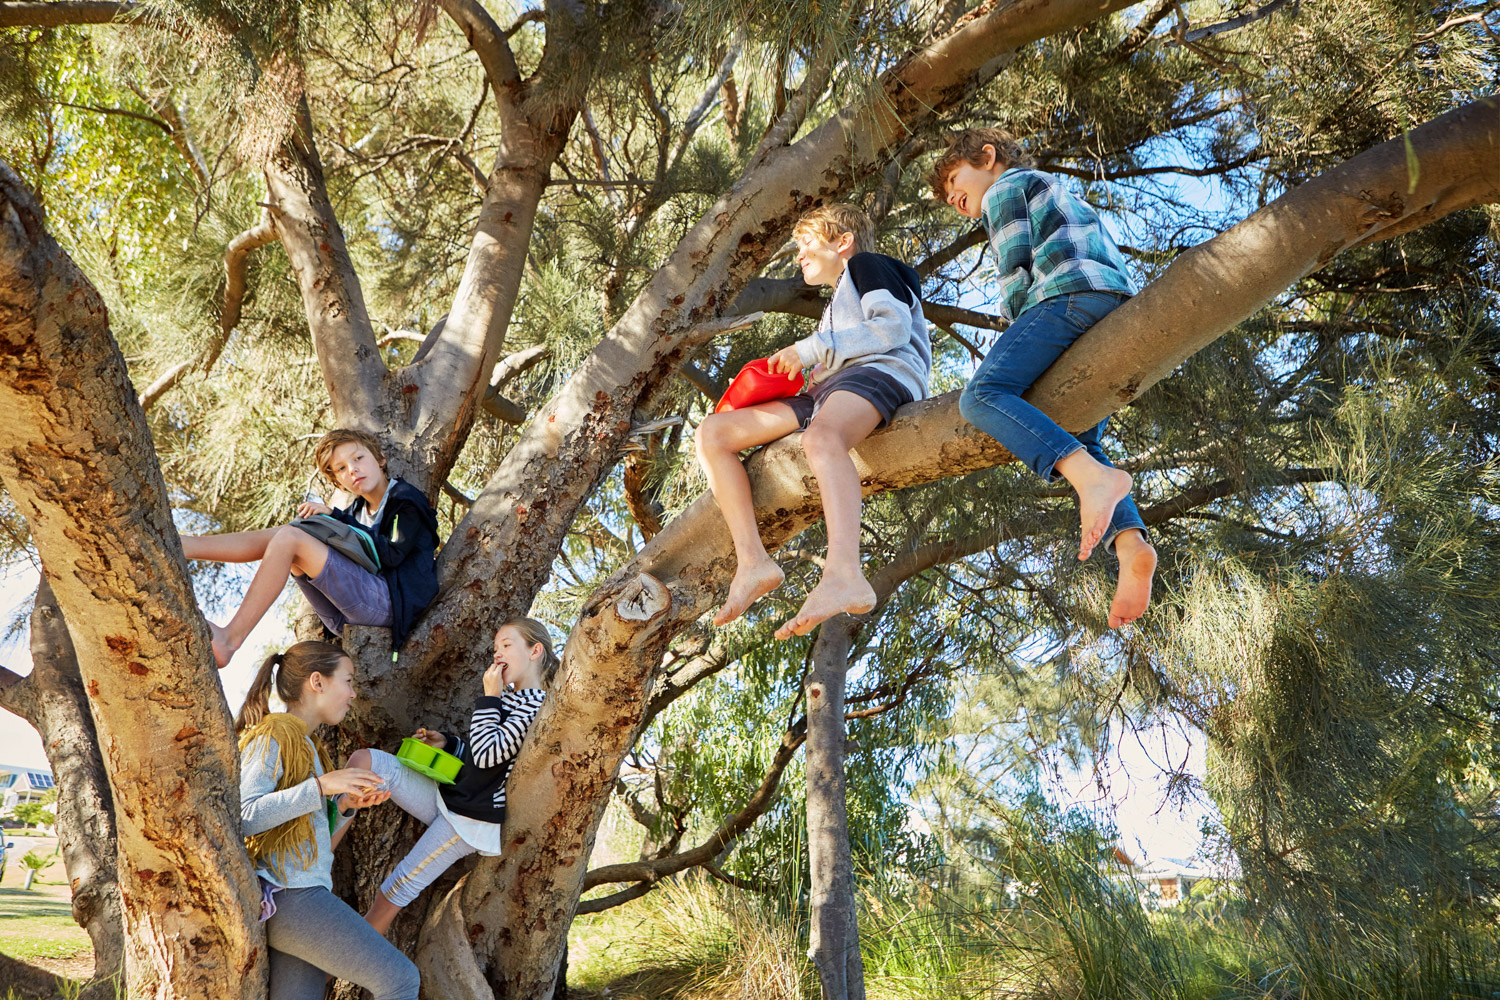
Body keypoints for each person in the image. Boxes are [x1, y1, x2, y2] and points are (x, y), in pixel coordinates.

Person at [930, 127, 1157, 629]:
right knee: (1079, 437)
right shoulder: (1055, 190)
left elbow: (1016, 274)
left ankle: (1093, 481)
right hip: (1110, 303)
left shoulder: (1006, 189)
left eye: (954, 178)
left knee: (983, 394)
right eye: (947, 197)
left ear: (988, 157)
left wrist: (1017, 340)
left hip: (1066, 295)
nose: (953, 196)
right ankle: (1131, 545)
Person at [695, 204, 932, 639]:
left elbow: (891, 330)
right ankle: (753, 562)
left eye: (806, 245)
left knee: (822, 438)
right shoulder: (837, 299)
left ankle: (843, 571)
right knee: (713, 434)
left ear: (843, 242)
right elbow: (835, 350)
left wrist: (808, 350)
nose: (798, 256)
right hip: (827, 391)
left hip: (881, 373)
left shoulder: (869, 265)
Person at [349, 618, 558, 934]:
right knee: (366, 761)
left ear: (535, 651)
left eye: (506, 645)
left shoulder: (536, 706)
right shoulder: (511, 697)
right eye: (494, 649)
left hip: (468, 821)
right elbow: (483, 756)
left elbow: (489, 756)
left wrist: (490, 698)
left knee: (395, 888)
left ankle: (340, 961)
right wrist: (447, 743)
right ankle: (321, 852)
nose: (497, 654)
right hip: (451, 794)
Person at [236, 640, 419, 1000]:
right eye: (348, 681)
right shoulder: (272, 735)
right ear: (316, 682)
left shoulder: (310, 749)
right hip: (291, 897)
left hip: (303, 895)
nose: (353, 694)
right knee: (400, 979)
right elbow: (244, 816)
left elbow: (312, 842)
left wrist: (348, 805)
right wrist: (320, 786)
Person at [182, 429, 439, 666]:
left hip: (390, 606)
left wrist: (335, 518)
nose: (353, 469)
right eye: (341, 468)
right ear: (338, 482)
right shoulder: (358, 511)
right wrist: (330, 522)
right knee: (288, 535)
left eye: (359, 458)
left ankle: (230, 639)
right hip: (344, 616)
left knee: (290, 539)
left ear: (380, 459)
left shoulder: (404, 498)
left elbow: (390, 555)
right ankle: (184, 545)